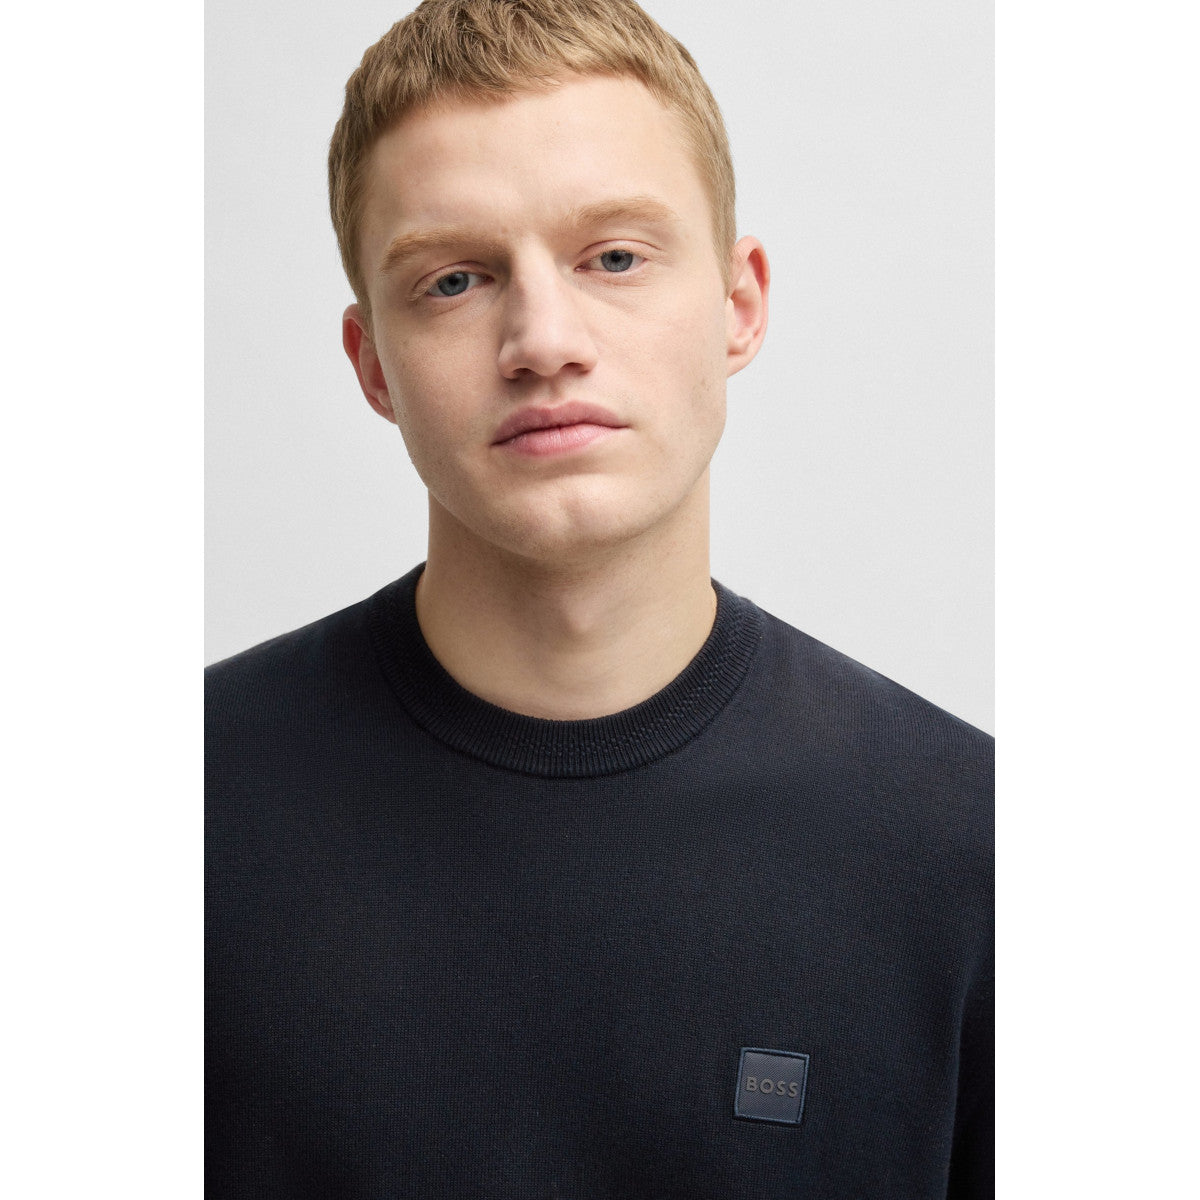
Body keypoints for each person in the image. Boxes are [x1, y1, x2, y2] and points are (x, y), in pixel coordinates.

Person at [205, 1, 993, 1195]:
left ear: (739, 305)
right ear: (373, 366)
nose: (544, 340)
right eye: (454, 280)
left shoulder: (976, 852)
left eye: (615, 257)